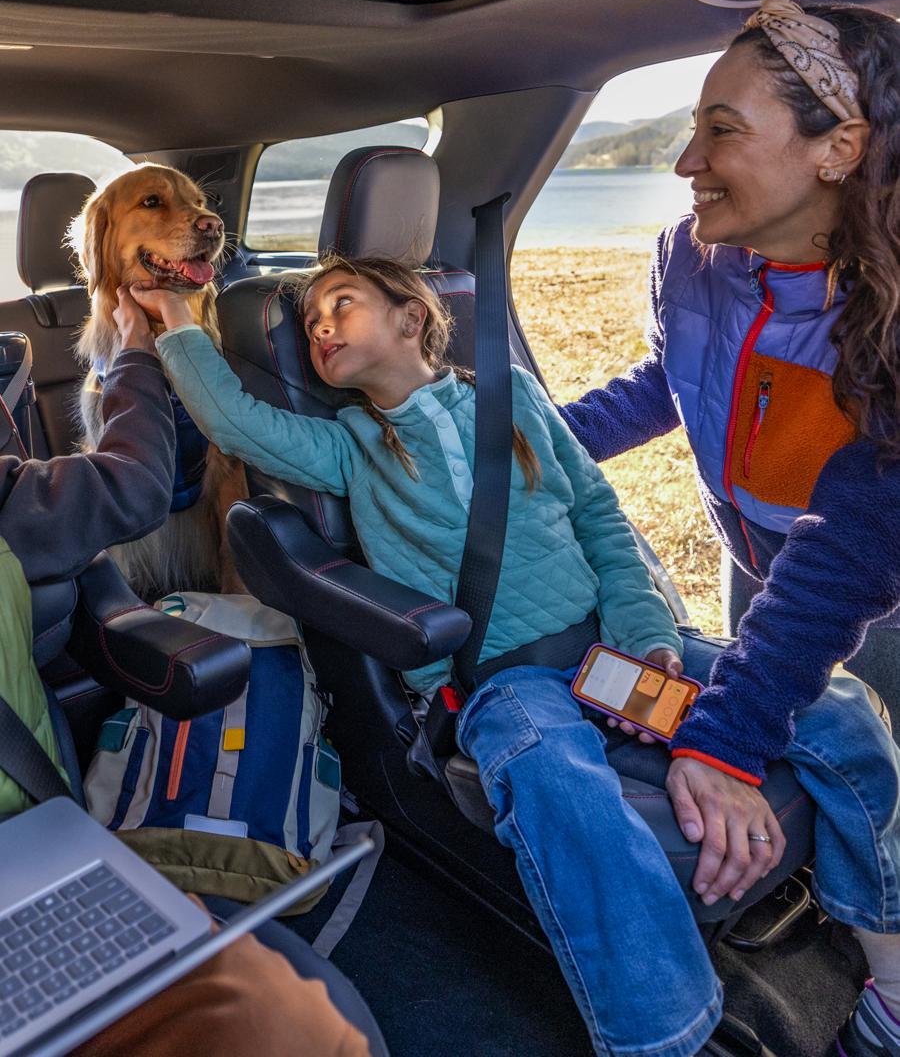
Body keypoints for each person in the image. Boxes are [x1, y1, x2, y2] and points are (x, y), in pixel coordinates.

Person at [121, 242, 900, 1057]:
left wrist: (650, 641)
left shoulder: (513, 398)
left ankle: (886, 975)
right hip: (501, 683)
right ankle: (661, 1036)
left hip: (610, 648)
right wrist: (176, 314)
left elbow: (599, 519)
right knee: (554, 779)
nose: (321, 327)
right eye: (311, 321)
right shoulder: (350, 446)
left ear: (411, 316)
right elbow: (235, 420)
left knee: (838, 705)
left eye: (342, 304)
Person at [560, 0, 900, 1057]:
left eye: (721, 129)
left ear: (838, 147)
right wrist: (534, 445)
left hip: (865, 579)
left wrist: (725, 735)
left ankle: (888, 979)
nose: (683, 161)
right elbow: (673, 379)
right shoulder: (690, 254)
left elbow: (850, 548)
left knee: (875, 755)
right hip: (758, 560)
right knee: (806, 737)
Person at [0, 287, 384, 1057]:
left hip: (27, 858)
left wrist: (153, 337)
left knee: (299, 1029)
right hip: (29, 862)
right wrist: (142, 348)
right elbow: (132, 483)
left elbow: (134, 484)